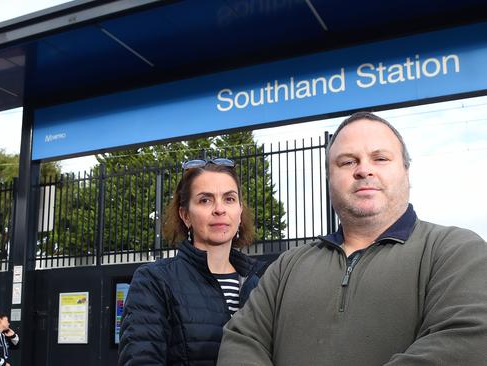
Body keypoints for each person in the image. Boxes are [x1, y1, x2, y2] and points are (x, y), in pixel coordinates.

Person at [217, 111, 487, 365]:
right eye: (347, 162)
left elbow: (468, 341)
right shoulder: (286, 266)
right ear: (329, 179)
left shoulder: (456, 251)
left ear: (406, 172)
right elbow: (241, 341)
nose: (363, 170)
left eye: (380, 158)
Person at [118, 158, 267, 365]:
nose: (219, 209)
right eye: (205, 200)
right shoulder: (154, 281)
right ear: (185, 215)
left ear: (240, 212)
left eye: (229, 199)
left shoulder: (263, 282)